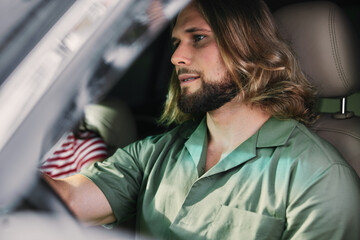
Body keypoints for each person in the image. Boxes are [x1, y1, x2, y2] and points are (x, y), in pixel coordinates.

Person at [44, 0, 360, 239]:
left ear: (247, 47)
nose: (176, 57)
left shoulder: (319, 178)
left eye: (198, 38)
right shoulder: (156, 153)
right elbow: (68, 199)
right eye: (175, 42)